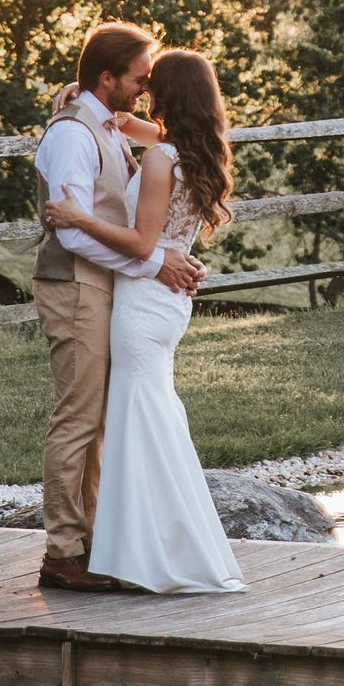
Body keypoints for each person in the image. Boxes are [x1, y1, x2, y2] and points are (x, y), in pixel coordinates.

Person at [32, 21, 204, 594]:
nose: (144, 87)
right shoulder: (72, 136)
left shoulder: (105, 124)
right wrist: (157, 263)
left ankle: (98, 542)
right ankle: (62, 551)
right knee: (78, 417)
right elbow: (74, 234)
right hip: (76, 284)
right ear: (107, 78)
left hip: (106, 285)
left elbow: (160, 144)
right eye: (136, 78)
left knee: (102, 420)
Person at [82, 48, 245, 598]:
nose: (144, 91)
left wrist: (76, 217)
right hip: (168, 304)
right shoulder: (194, 152)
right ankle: (154, 545)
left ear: (169, 95)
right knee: (151, 413)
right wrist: (117, 120)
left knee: (138, 417)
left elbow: (142, 243)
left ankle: (149, 555)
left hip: (144, 300)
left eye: (152, 86)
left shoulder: (160, 160)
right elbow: (153, 139)